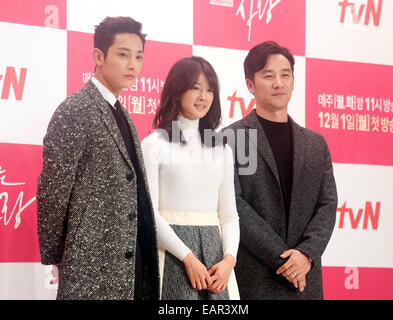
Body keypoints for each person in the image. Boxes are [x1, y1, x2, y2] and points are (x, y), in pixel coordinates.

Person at [36, 16, 159, 300]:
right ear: (98, 56)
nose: (133, 64)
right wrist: (62, 255)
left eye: (138, 57)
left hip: (128, 262)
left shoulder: (123, 114)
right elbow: (53, 192)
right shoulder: (75, 110)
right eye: (123, 54)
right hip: (90, 265)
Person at [225, 41, 338, 299]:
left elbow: (328, 204)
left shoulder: (315, 143)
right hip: (255, 279)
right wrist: (285, 261)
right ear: (250, 85)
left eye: (285, 74)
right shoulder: (232, 138)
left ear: (293, 80)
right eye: (269, 75)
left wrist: (307, 255)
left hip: (306, 282)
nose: (279, 83)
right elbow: (234, 205)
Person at [141, 56, 240, 300]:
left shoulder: (222, 149)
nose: (203, 96)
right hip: (170, 255)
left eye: (209, 90)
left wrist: (229, 260)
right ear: (177, 90)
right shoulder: (154, 145)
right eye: (195, 88)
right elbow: (149, 214)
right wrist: (186, 256)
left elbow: (228, 214)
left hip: (217, 261)